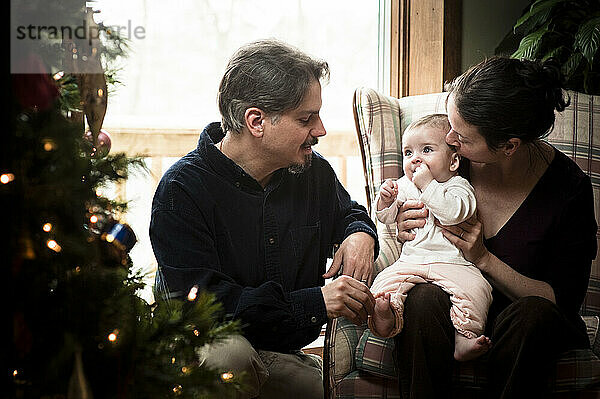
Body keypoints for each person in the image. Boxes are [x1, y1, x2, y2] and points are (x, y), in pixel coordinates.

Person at [149, 39, 378, 399]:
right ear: (256, 121)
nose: (320, 130)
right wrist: (316, 301)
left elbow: (349, 214)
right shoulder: (181, 190)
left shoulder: (312, 173)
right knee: (230, 355)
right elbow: (207, 305)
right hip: (205, 354)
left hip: (281, 355)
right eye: (306, 118)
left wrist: (360, 233)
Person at [392, 56, 597, 398]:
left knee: (533, 316)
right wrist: (404, 222)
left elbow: (560, 301)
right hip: (452, 304)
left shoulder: (568, 190)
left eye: (462, 136)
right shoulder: (448, 162)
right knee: (422, 298)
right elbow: (407, 205)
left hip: (525, 323)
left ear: (509, 146)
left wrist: (483, 257)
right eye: (450, 124)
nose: (450, 139)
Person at [368, 114, 492, 362]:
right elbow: (385, 217)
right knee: (384, 282)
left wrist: (427, 186)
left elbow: (453, 213)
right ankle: (386, 315)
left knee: (478, 290)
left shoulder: (459, 187)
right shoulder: (404, 185)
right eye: (407, 152)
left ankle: (463, 337)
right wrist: (385, 200)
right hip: (412, 261)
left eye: (426, 150)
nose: (415, 159)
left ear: (454, 161)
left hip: (452, 264)